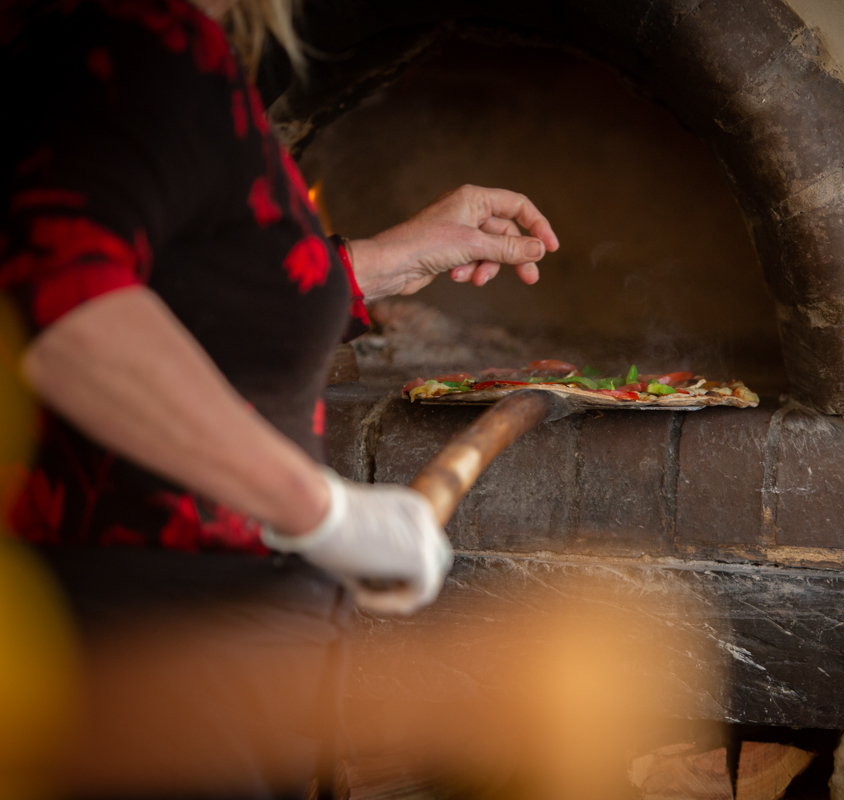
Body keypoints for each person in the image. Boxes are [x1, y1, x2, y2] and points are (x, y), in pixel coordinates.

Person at [0, 0, 559, 795]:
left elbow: (197, 293)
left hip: (149, 634)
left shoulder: (73, 39)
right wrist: (322, 511)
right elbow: (62, 303)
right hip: (167, 647)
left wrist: (394, 257)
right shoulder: (150, 37)